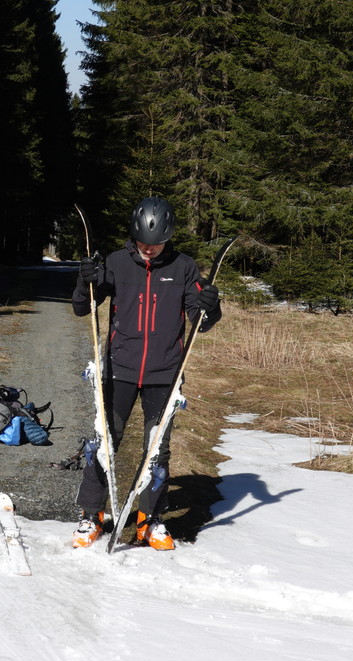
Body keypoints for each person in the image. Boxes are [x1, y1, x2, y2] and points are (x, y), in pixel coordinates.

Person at [71, 197, 222, 550]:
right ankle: (91, 515)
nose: (148, 251)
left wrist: (210, 308)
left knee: (157, 449)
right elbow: (83, 306)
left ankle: (148, 521)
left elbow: (202, 321)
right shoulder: (116, 263)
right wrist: (85, 280)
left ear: (167, 238)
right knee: (104, 442)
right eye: (142, 244)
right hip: (120, 370)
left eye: (155, 245)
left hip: (165, 373)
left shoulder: (184, 268)